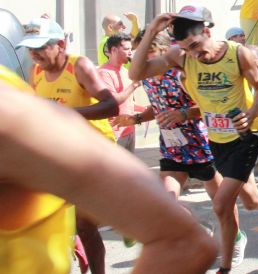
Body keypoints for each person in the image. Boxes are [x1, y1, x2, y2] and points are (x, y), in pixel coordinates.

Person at [129, 5, 258, 274]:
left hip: (244, 139)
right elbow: (136, 73)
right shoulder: (179, 56)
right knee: (249, 201)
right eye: (187, 49)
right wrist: (152, 31)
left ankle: (225, 266)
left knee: (220, 204)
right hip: (216, 141)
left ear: (206, 31)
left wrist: (249, 115)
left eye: (196, 45)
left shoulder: (237, 54)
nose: (194, 54)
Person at [0, 82, 217, 274]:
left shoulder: (9, 112)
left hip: (199, 145)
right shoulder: (33, 75)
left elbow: (183, 243)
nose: (37, 54)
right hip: (168, 151)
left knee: (236, 199)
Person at [18, 18, 119, 274]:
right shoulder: (36, 71)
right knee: (39, 214)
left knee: (85, 224)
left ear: (60, 44)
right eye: (30, 47)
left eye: (40, 47)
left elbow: (111, 105)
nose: (34, 53)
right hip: (61, 152)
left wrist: (70, 113)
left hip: (93, 152)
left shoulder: (79, 67)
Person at [117, 30, 222, 203]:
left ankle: (235, 232)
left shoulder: (181, 74)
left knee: (221, 202)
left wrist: (184, 114)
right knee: (166, 202)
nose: (144, 57)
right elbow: (159, 107)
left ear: (165, 50)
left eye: (149, 51)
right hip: (172, 148)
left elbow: (211, 105)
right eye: (141, 52)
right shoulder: (146, 77)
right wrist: (137, 119)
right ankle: (197, 230)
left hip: (201, 145)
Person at [98, 34, 140, 154]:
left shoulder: (125, 71)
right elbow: (113, 101)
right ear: (114, 50)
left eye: (131, 49)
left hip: (129, 130)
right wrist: (135, 84)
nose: (130, 53)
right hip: (113, 134)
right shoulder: (104, 73)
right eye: (126, 49)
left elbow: (127, 101)